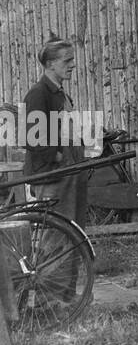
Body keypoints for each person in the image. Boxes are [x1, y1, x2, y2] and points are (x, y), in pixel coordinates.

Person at [23, 40, 91, 301]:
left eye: (72, 60)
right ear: (50, 64)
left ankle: (65, 295)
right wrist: (59, 155)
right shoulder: (38, 93)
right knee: (54, 236)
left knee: (72, 233)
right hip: (52, 176)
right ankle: (45, 298)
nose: (72, 65)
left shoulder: (60, 92)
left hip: (70, 173)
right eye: (67, 61)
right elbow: (32, 137)